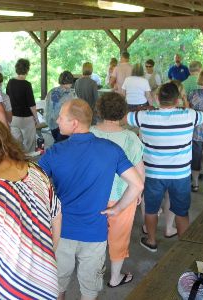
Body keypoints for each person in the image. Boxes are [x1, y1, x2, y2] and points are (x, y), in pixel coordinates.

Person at [39, 99, 144, 300]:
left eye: (61, 117)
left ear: (74, 123)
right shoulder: (111, 150)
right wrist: (118, 208)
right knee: (89, 291)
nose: (57, 120)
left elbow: (30, 184)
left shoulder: (54, 152)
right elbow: (137, 185)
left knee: (56, 287)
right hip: (95, 232)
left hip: (61, 232)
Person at [0, 114, 62, 300]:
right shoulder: (35, 170)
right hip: (46, 286)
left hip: (7, 292)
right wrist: (41, 259)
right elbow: (56, 217)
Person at [126, 82, 203, 252]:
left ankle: (152, 241)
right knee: (181, 211)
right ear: (177, 100)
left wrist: (148, 107)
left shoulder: (144, 116)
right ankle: (184, 246)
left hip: (154, 173)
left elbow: (125, 117)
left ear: (157, 98)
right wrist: (184, 101)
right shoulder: (190, 115)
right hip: (180, 174)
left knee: (151, 209)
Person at [90, 92, 145, 288]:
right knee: (119, 236)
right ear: (124, 113)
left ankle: (92, 276)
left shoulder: (88, 133)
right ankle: (115, 278)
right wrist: (137, 193)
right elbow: (139, 172)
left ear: (99, 110)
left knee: (93, 238)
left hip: (92, 196)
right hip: (122, 196)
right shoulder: (131, 138)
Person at [6, 58, 39, 153]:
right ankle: (28, 163)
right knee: (30, 143)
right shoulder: (27, 84)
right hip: (26, 118)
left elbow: (7, 100)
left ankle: (18, 162)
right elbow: (31, 104)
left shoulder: (10, 82)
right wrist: (36, 118)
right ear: (27, 70)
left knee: (16, 144)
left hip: (13, 118)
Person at [44, 71, 77, 143]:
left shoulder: (51, 91)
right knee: (62, 144)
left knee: (57, 141)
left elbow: (47, 107)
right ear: (71, 81)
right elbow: (73, 110)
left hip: (51, 123)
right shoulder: (70, 94)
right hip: (62, 123)